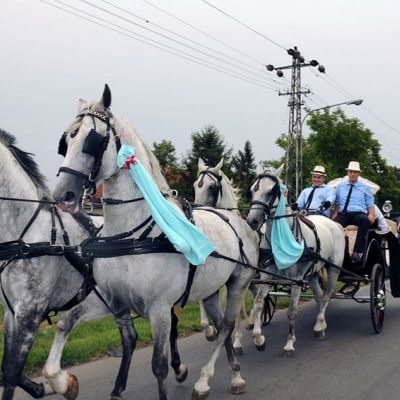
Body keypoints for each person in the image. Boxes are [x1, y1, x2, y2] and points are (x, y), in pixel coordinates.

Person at [331, 161, 375, 264]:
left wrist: (371, 214)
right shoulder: (341, 186)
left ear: (358, 174)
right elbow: (338, 202)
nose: (352, 174)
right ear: (348, 173)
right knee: (334, 225)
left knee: (365, 221)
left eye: (355, 172)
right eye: (351, 172)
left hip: (358, 213)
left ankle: (357, 251)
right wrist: (335, 214)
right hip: (344, 214)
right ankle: (335, 250)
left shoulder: (364, 187)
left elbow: (370, 203)